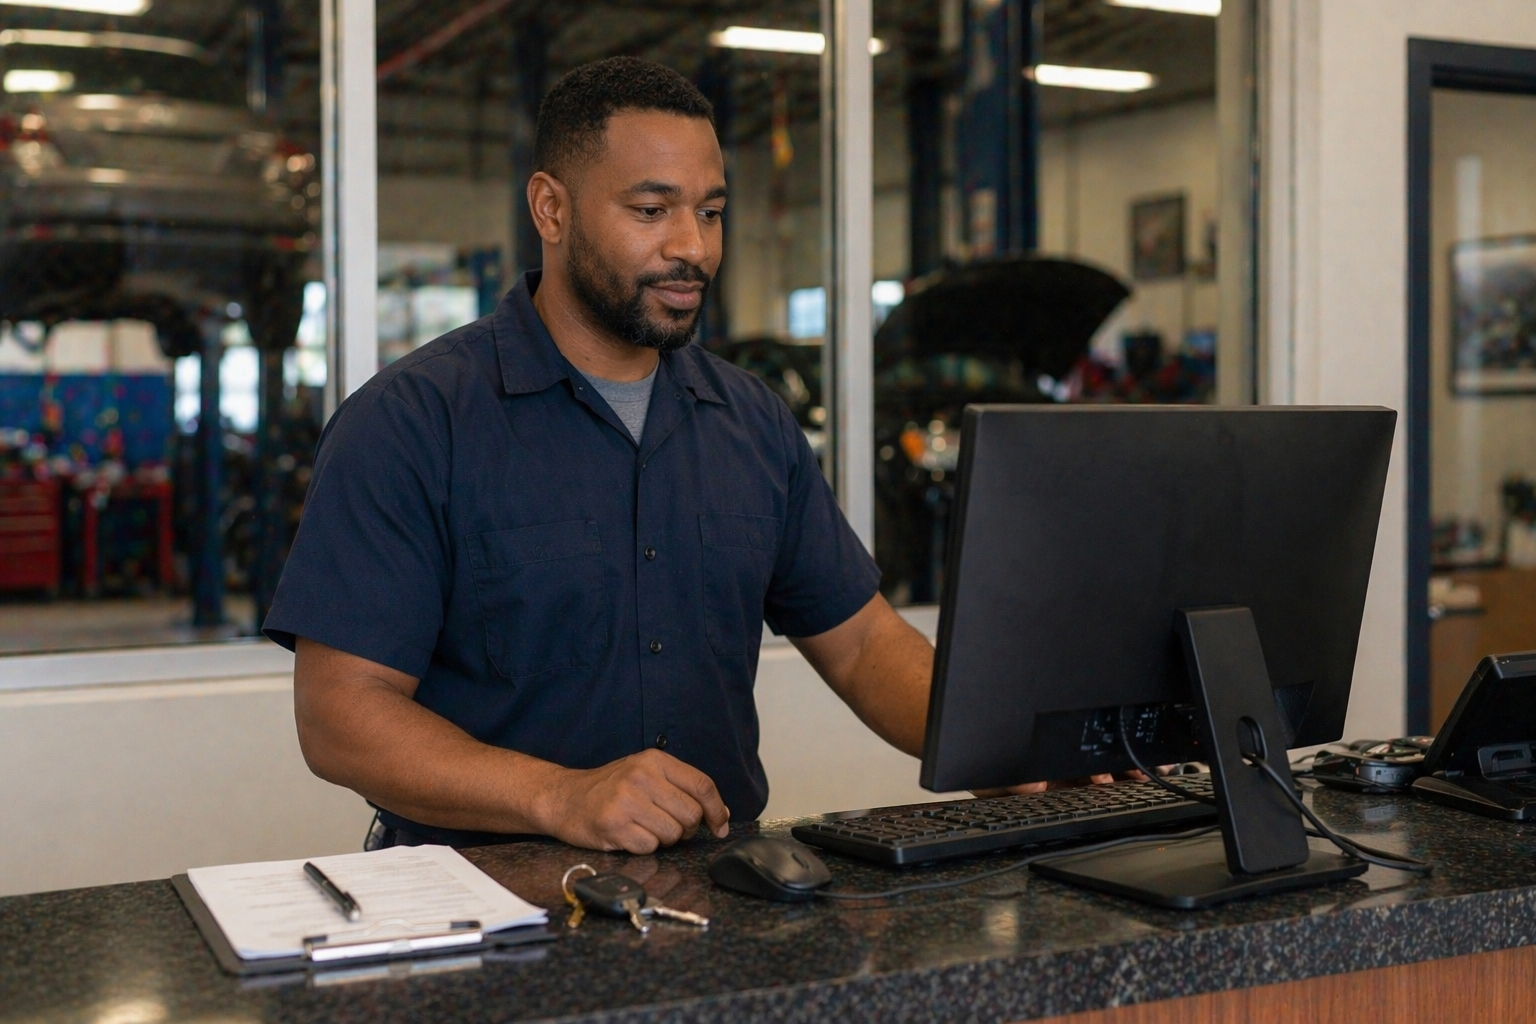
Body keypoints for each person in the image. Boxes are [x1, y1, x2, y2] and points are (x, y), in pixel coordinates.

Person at [262, 57, 937, 854]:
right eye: (652, 209)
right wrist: (560, 796)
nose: (693, 247)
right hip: (483, 905)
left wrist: (1006, 749)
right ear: (551, 208)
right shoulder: (413, 421)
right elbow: (340, 715)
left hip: (716, 892)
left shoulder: (751, 420)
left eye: (711, 212)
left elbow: (862, 645)